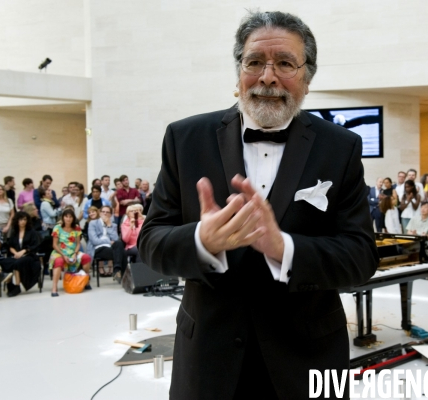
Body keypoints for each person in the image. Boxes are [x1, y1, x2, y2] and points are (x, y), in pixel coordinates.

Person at [138, 11, 378, 399]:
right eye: (254, 63)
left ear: (307, 78)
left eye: (284, 63)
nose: (267, 77)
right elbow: (150, 242)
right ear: (238, 72)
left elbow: (361, 256)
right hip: (208, 363)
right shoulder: (184, 138)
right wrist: (203, 240)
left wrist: (284, 248)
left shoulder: (341, 147)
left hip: (309, 362)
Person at [50, 209, 92, 297]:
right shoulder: (57, 228)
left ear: (73, 218)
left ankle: (86, 281)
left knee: (86, 257)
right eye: (66, 217)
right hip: (59, 252)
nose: (68, 219)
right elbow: (54, 245)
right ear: (63, 217)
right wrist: (63, 255)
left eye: (70, 217)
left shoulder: (76, 227)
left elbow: (78, 243)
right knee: (58, 262)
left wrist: (75, 253)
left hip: (73, 251)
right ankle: (54, 287)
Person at [1, 212, 42, 297]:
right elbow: (10, 246)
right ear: (17, 221)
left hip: (30, 256)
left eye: (25, 219)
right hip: (16, 255)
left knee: (17, 263)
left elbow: (34, 246)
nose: (23, 221)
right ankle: (10, 284)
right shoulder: (14, 232)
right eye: (21, 219)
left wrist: (23, 251)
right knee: (3, 262)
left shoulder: (32, 232)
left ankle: (17, 286)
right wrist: (16, 253)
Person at [88, 205, 126, 282]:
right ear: (100, 213)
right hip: (98, 248)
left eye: (107, 212)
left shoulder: (113, 225)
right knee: (122, 253)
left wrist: (109, 225)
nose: (105, 214)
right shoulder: (93, 223)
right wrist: (108, 241)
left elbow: (115, 239)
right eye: (103, 212)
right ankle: (122, 275)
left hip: (110, 248)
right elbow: (94, 241)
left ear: (110, 214)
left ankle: (117, 270)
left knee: (119, 244)